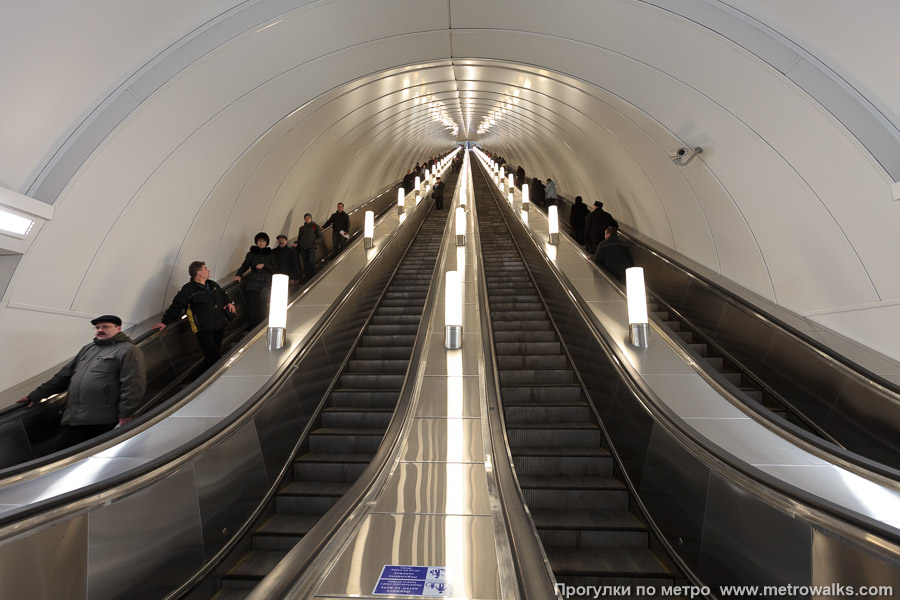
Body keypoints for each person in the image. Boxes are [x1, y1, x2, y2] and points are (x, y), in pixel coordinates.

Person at [19, 315, 146, 449]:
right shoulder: (88, 349)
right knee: (66, 455)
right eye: (97, 327)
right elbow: (63, 376)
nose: (100, 330)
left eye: (105, 327)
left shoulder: (128, 350)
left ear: (118, 328)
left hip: (102, 420)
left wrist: (126, 412)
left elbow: (133, 383)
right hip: (75, 417)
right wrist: (37, 394)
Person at [153, 261, 236, 370]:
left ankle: (199, 375)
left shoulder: (212, 284)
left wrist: (229, 302)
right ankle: (219, 375)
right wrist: (165, 321)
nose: (208, 270)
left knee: (214, 352)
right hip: (203, 328)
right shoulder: (188, 289)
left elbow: (223, 294)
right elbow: (176, 306)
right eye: (205, 268)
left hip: (219, 324)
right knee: (213, 354)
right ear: (199, 273)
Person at [233, 232, 275, 328]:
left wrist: (264, 265)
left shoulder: (270, 254)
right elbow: (245, 265)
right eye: (260, 240)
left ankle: (261, 330)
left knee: (263, 308)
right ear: (256, 242)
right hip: (253, 284)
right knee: (252, 308)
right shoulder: (251, 254)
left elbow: (274, 267)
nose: (261, 243)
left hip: (265, 284)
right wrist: (238, 275)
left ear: (267, 243)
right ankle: (253, 330)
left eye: (264, 241)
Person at [295, 213, 323, 281]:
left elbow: (320, 236)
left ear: (311, 218)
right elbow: (299, 238)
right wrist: (297, 243)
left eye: (309, 218)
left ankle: (314, 276)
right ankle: (307, 277)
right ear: (304, 219)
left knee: (311, 262)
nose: (307, 219)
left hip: (312, 247)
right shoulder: (301, 228)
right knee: (305, 263)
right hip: (303, 248)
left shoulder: (315, 226)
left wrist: (315, 242)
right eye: (306, 218)